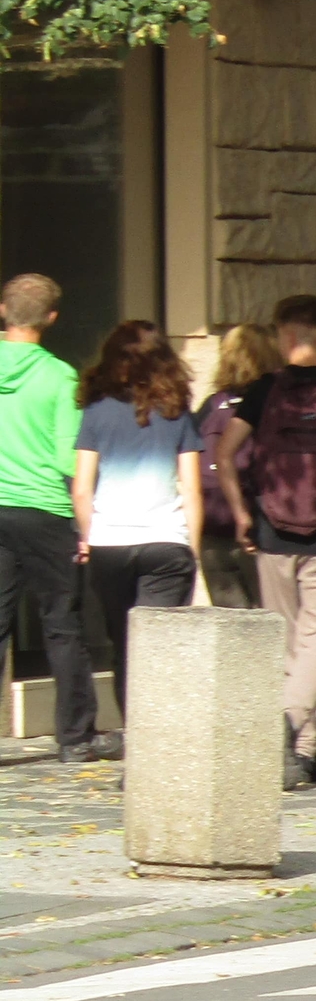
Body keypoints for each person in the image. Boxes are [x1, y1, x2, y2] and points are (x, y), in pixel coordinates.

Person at [212, 294, 316, 788]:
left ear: (284, 335)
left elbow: (226, 453)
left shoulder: (264, 390)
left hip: (273, 531)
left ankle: (300, 752)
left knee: (291, 644)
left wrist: (244, 513)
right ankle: (293, 726)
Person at [74, 321, 204, 729]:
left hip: (109, 544)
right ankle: (159, 744)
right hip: (166, 543)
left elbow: (81, 488)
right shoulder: (177, 414)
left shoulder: (95, 413)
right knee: (161, 649)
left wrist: (88, 534)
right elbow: (193, 490)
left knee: (125, 647)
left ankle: (136, 739)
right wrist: (192, 550)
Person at [0, 272, 99, 762]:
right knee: (61, 624)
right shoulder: (60, 375)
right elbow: (69, 459)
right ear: (52, 318)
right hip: (44, 510)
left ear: (3, 310)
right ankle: (75, 738)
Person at [192, 322, 279, 608]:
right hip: (259, 529)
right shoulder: (277, 404)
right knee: (273, 623)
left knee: (231, 629)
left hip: (213, 530)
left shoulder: (211, 405)